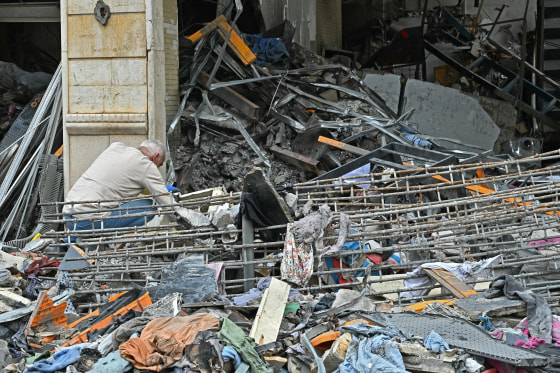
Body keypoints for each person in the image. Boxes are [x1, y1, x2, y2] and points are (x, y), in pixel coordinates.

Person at [63, 139, 175, 231]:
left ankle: (79, 240)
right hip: (85, 222)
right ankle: (96, 240)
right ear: (155, 157)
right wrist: (185, 217)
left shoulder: (116, 148)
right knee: (150, 206)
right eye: (159, 165)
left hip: (68, 216)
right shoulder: (146, 165)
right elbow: (166, 202)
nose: (157, 169)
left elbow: (123, 188)